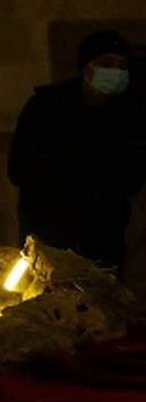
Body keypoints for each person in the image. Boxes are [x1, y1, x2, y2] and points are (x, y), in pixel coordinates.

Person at [9, 30, 146, 271]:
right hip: (50, 236)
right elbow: (19, 168)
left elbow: (131, 176)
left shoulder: (126, 115)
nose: (115, 71)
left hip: (104, 241)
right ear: (86, 68)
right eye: (106, 63)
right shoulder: (46, 107)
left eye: (122, 65)